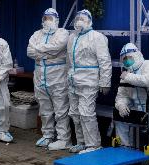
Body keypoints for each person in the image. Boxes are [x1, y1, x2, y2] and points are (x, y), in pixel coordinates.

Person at [66, 9, 111, 153]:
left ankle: (93, 144)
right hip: (73, 80)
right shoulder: (72, 37)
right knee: (75, 113)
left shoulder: (97, 37)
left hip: (89, 81)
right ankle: (81, 142)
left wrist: (105, 82)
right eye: (77, 18)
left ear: (90, 21)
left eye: (83, 19)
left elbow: (105, 61)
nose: (79, 21)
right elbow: (69, 60)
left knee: (86, 113)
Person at [26, 8, 72, 150]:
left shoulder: (63, 33)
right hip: (40, 75)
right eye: (45, 17)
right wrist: (50, 55)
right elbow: (29, 51)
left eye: (50, 18)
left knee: (60, 109)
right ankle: (47, 135)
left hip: (57, 75)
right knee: (44, 108)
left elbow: (57, 47)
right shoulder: (36, 34)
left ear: (56, 20)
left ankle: (63, 139)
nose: (47, 20)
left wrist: (40, 50)